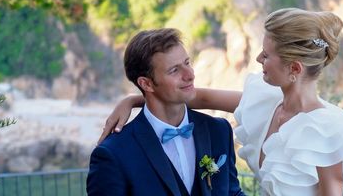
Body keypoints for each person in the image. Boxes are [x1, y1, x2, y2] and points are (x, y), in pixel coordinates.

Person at [100, 9, 343, 196]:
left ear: (295, 68)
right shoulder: (265, 104)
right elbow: (196, 96)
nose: (258, 60)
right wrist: (134, 99)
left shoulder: (328, 132)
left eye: (267, 55)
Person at [87, 28, 245, 196]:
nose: (190, 74)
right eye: (174, 70)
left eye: (187, 62)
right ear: (146, 84)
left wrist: (132, 100)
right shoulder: (113, 154)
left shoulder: (218, 130)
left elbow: (232, 193)